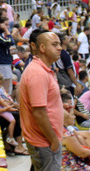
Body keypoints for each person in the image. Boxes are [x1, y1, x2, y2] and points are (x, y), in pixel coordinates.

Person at [19, 29, 64, 170]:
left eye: (60, 44)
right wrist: (53, 140)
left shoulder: (43, 70)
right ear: (42, 48)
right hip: (44, 141)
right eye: (55, 44)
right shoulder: (37, 73)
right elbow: (38, 112)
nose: (60, 48)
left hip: (44, 140)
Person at [0, 72, 20, 148]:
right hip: (0, 108)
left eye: (0, 84)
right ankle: (10, 137)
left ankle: (10, 137)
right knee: (12, 120)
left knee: (13, 118)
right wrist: (8, 106)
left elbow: (0, 99)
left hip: (1, 107)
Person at [0, 13, 15, 94]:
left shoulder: (0, 34)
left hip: (6, 61)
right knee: (5, 88)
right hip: (2, 63)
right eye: (6, 25)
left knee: (8, 87)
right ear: (0, 24)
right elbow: (11, 41)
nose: (8, 27)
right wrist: (7, 31)